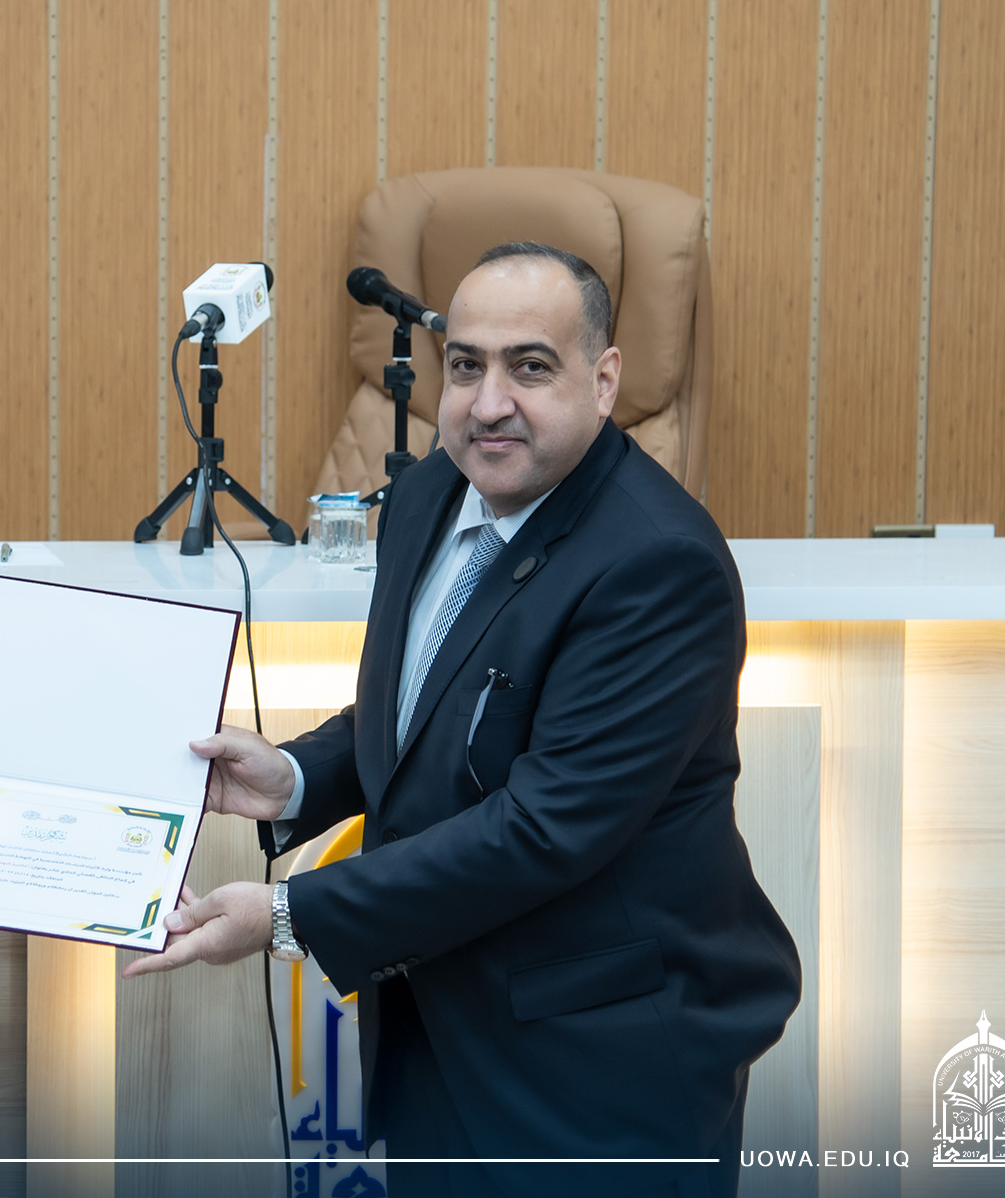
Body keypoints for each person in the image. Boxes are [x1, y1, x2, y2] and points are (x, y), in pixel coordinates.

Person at [126, 242, 801, 1197]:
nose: (489, 404)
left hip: (597, 1069)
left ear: (605, 380)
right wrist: (301, 778)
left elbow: (544, 827)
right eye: (467, 366)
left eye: (531, 367)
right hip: (437, 1030)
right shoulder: (429, 492)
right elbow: (439, 700)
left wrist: (286, 913)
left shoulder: (659, 564)